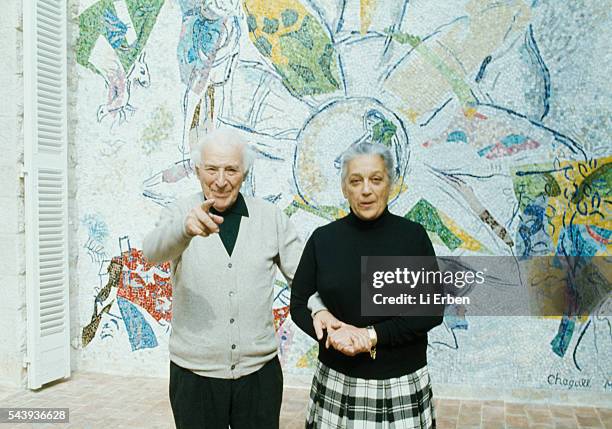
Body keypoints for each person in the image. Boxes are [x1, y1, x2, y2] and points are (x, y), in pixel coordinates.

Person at [143, 127, 323, 429]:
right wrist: (184, 229)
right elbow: (152, 251)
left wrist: (326, 312)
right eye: (212, 169)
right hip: (194, 374)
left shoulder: (271, 217)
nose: (221, 180)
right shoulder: (179, 213)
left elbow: (304, 280)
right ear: (198, 171)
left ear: (245, 172)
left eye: (231, 170)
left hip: (259, 374)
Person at [290, 141, 444, 428]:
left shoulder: (412, 237)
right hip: (337, 381)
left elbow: (431, 309)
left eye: (376, 179)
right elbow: (299, 303)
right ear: (344, 188)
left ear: (391, 183)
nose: (366, 190)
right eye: (355, 181)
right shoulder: (324, 239)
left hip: (400, 382)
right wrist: (325, 323)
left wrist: (372, 336)